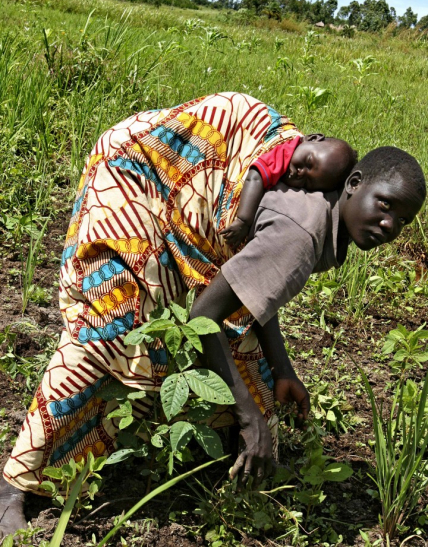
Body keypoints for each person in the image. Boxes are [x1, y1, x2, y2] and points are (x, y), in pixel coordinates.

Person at [0, 92, 425, 538]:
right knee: (113, 330)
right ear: (354, 183)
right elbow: (205, 316)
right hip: (139, 175)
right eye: (386, 204)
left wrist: (283, 369)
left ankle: (221, 467)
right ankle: (13, 486)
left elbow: (253, 287)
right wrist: (248, 418)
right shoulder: (302, 235)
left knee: (252, 368)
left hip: (181, 178)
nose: (390, 226)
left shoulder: (323, 210)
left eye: (404, 220)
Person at [220, 134, 358, 248]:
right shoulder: (285, 151)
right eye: (308, 162)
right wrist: (243, 221)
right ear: (312, 138)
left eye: (307, 182)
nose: (300, 172)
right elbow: (255, 177)